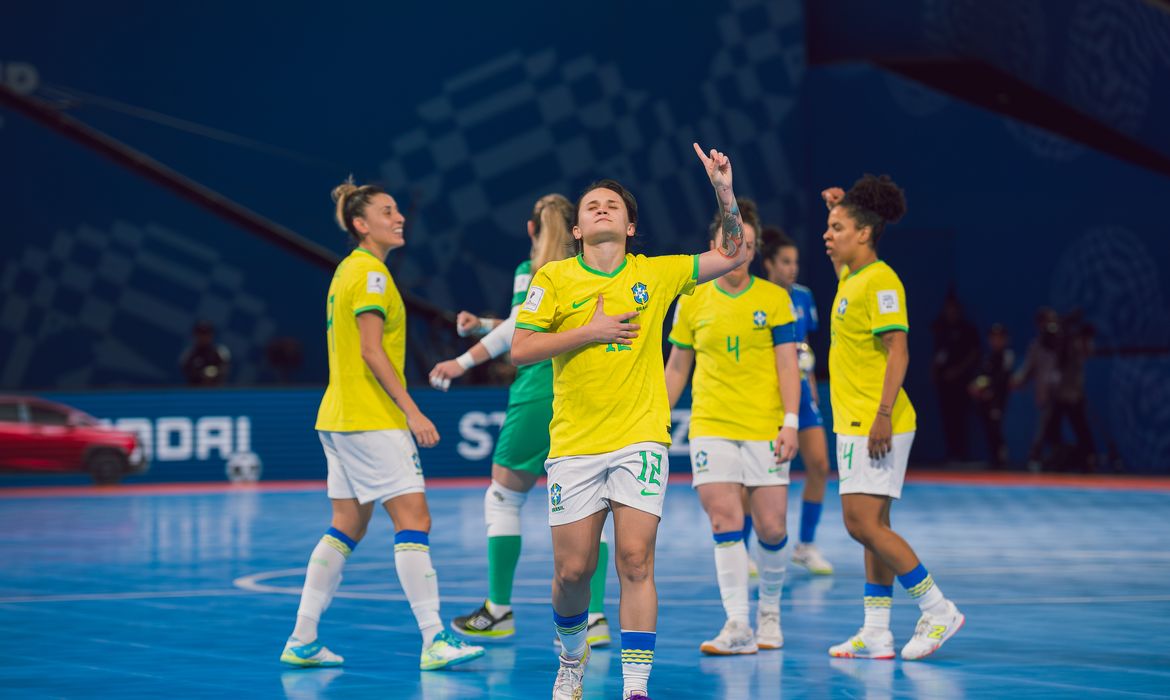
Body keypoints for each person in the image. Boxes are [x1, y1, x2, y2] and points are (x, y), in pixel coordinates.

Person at [511, 143, 753, 700]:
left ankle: (635, 685)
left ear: (630, 226)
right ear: (576, 229)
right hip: (574, 443)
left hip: (639, 437)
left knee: (636, 559)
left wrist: (723, 190)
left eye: (613, 205)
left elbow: (734, 252)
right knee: (573, 572)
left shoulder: (657, 273)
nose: (602, 208)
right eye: (591, 205)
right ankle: (571, 658)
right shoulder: (553, 278)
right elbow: (521, 350)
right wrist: (589, 332)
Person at [280, 179, 484, 671]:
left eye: (397, 210)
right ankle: (435, 639)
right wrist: (412, 410)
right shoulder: (372, 275)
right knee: (415, 520)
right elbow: (371, 351)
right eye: (387, 211)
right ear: (360, 224)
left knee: (347, 524)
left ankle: (302, 639)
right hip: (371, 418)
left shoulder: (348, 270)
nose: (399, 217)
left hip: (339, 416)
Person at [428, 194, 613, 647]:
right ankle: (595, 617)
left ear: (531, 229)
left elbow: (519, 329)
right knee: (594, 504)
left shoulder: (531, 271)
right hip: (587, 392)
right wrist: (482, 324)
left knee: (504, 497)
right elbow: (535, 321)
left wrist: (462, 360)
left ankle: (498, 610)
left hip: (538, 391)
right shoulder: (592, 268)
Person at [820, 176, 964, 661]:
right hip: (855, 420)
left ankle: (938, 609)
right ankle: (876, 631)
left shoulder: (882, 281)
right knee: (873, 525)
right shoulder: (852, 277)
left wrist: (882, 414)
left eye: (837, 228)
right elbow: (844, 251)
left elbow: (898, 350)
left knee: (861, 523)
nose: (827, 235)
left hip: (876, 422)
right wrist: (842, 207)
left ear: (864, 234)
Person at [664, 199, 801, 655]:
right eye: (731, 242)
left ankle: (769, 614)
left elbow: (788, 366)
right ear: (713, 245)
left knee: (772, 528)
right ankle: (738, 624)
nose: (739, 250)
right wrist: (656, 418)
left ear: (755, 250)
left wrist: (790, 422)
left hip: (765, 427)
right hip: (711, 425)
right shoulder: (692, 299)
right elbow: (677, 368)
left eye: (747, 244)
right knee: (725, 519)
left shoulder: (775, 299)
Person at [760, 225, 835, 575]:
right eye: (785, 262)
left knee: (819, 465)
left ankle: (805, 546)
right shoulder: (757, 295)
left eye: (795, 262)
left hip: (801, 394)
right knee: (760, 476)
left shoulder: (804, 297)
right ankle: (744, 547)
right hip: (765, 396)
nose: (792, 268)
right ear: (769, 264)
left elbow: (804, 349)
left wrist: (811, 384)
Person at [930, 293, 980, 464]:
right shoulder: (941, 329)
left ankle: (961, 453)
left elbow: (974, 354)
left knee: (961, 418)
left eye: (953, 309)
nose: (950, 312)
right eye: (948, 309)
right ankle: (951, 453)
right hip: (944, 383)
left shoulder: (967, 330)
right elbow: (937, 355)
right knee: (947, 418)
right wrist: (935, 371)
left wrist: (957, 371)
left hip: (961, 383)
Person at [969, 323, 1014, 468]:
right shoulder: (987, 357)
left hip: (999, 400)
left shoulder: (1007, 356)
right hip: (985, 400)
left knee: (996, 429)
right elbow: (983, 376)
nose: (996, 341)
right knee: (989, 429)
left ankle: (1001, 460)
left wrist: (991, 390)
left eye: (999, 338)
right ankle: (994, 460)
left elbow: (1002, 378)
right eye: (993, 338)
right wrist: (977, 386)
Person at [180, 320, 231, 386]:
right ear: (195, 335)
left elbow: (225, 370)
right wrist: (202, 374)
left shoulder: (220, 352)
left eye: (206, 333)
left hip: (216, 390)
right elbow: (186, 371)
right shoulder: (189, 354)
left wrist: (214, 373)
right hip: (195, 390)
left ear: (212, 335)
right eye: (201, 333)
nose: (203, 336)